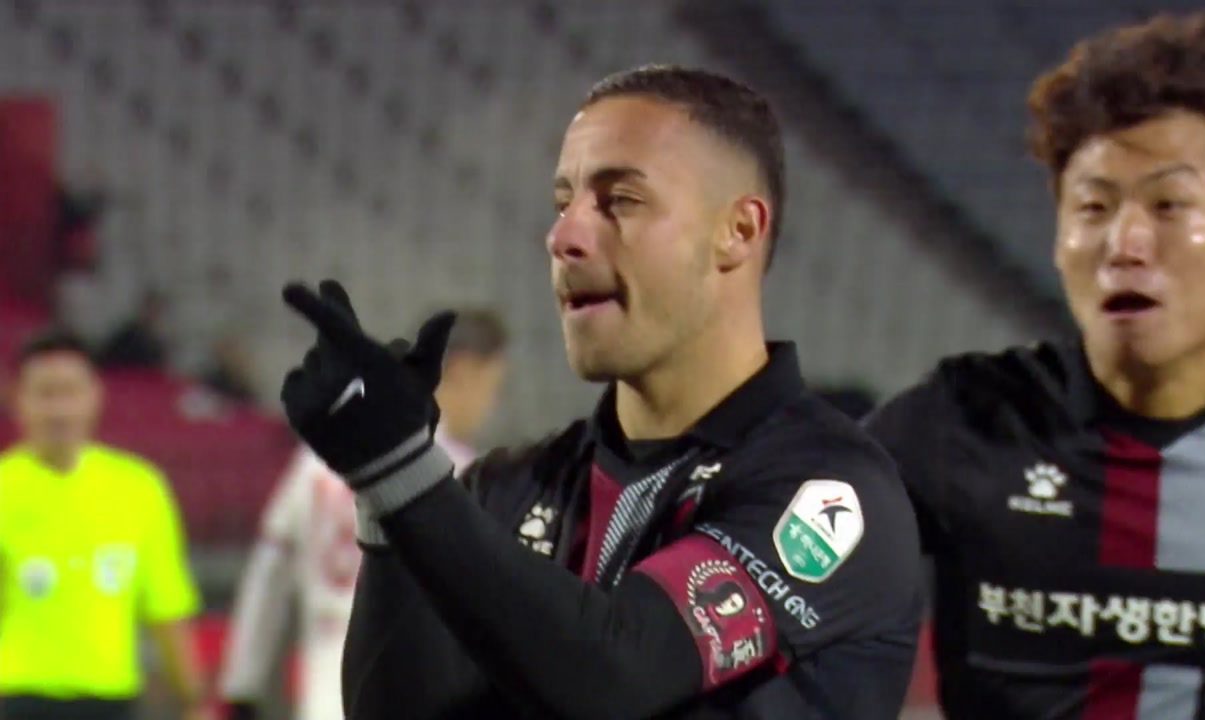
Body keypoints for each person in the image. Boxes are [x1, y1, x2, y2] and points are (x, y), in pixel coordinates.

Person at [276, 65, 923, 719]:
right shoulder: (509, 486)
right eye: (564, 203)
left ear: (739, 231)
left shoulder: (833, 493)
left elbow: (617, 676)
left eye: (621, 201)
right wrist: (384, 498)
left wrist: (408, 477)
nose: (563, 237)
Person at [862, 11, 1205, 719]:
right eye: (1094, 207)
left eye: (1170, 204)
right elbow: (766, 575)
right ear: (1058, 238)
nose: (1126, 242)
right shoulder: (964, 421)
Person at [219, 309, 509, 720]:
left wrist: (241, 685)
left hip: (321, 693)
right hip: (408, 694)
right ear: (461, 371)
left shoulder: (318, 459)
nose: (489, 406)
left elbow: (268, 573)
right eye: (491, 387)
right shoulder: (457, 471)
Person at [0, 329, 213, 720]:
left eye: (70, 393)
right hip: (17, 698)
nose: (59, 411)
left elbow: (166, 605)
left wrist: (194, 701)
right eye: (45, 394)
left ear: (95, 395)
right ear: (17, 399)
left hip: (110, 700)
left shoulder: (139, 488)